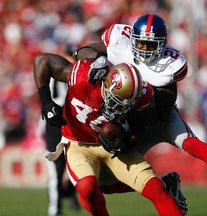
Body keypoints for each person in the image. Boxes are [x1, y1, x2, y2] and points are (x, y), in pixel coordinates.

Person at [74, 13, 207, 206]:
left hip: (154, 117)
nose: (144, 49)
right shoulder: (118, 40)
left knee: (193, 144)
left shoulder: (170, 66)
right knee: (104, 183)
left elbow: (161, 111)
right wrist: (97, 58)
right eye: (140, 43)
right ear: (131, 38)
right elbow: (85, 50)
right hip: (127, 119)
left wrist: (125, 123)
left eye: (150, 45)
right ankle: (167, 184)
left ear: (162, 44)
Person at [33, 51, 184, 216]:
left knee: (156, 188)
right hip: (78, 144)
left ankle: (165, 185)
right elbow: (42, 60)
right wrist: (46, 103)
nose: (120, 108)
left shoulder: (139, 94)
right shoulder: (83, 76)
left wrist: (129, 139)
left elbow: (142, 123)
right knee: (87, 186)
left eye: (127, 104)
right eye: (116, 101)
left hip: (112, 148)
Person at [39, 44, 80, 216]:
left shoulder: (77, 72)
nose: (71, 59)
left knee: (75, 166)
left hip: (70, 121)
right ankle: (54, 209)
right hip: (56, 122)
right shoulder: (62, 73)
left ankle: (69, 196)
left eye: (73, 56)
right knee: (56, 169)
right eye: (69, 55)